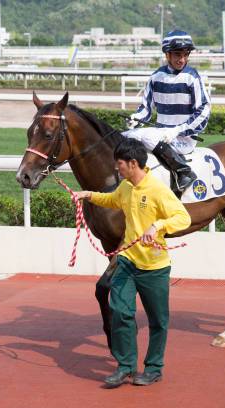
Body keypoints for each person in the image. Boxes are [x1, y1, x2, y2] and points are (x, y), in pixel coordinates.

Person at [75, 138, 191, 388]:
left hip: (154, 268)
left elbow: (183, 218)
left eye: (120, 165)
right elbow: (112, 199)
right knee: (120, 311)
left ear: (133, 163)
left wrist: (158, 225)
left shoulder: (158, 190)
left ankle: (153, 368)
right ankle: (125, 366)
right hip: (127, 262)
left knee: (158, 321)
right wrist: (87, 195)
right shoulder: (126, 187)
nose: (117, 169)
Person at [123, 29, 211, 192]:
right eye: (178, 54)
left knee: (149, 137)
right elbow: (146, 108)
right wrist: (135, 118)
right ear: (167, 55)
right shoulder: (156, 77)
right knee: (125, 136)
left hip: (183, 138)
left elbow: (204, 109)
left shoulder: (192, 77)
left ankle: (184, 171)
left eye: (185, 54)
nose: (182, 59)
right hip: (160, 135)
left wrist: (177, 130)